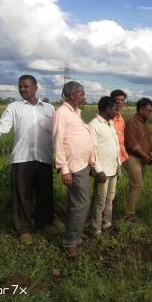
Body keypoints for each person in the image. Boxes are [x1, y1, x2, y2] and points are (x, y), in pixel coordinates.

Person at [0, 75, 54, 245]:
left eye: (26, 86)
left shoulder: (49, 108)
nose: (22, 89)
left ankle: (44, 223)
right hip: (22, 157)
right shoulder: (14, 107)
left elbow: (56, 132)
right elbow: (3, 127)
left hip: (44, 156)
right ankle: (24, 229)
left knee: (45, 192)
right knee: (22, 195)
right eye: (20, 86)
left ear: (35, 88)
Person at [52, 81, 95, 259]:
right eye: (82, 93)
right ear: (71, 95)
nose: (84, 96)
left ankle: (74, 237)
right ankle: (70, 242)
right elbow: (57, 141)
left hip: (82, 164)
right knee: (82, 204)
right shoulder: (62, 113)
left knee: (75, 204)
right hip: (73, 167)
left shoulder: (75, 113)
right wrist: (64, 169)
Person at [88, 97, 120, 235]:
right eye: (115, 108)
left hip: (113, 168)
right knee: (100, 200)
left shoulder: (110, 123)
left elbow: (115, 145)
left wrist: (118, 163)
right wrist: (98, 170)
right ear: (107, 109)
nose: (117, 111)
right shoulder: (94, 125)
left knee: (110, 198)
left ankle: (106, 223)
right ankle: (96, 228)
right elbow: (92, 150)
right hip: (103, 171)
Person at [123, 98, 152, 220]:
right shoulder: (132, 122)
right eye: (149, 111)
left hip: (142, 158)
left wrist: (150, 152)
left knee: (135, 185)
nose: (150, 113)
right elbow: (132, 144)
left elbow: (147, 140)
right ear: (141, 110)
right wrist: (146, 156)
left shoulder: (144, 122)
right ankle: (129, 215)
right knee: (138, 185)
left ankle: (131, 209)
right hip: (132, 158)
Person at [110, 89, 129, 220]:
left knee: (113, 189)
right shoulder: (107, 117)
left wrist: (123, 156)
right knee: (103, 191)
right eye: (117, 100)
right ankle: (101, 218)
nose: (120, 103)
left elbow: (121, 141)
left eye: (122, 100)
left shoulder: (121, 119)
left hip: (118, 159)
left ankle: (113, 216)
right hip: (107, 158)